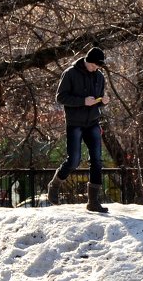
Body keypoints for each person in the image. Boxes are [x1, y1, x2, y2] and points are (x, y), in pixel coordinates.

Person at [47, 46, 110, 212]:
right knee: (74, 160)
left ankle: (93, 202)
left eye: (98, 67)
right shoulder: (70, 73)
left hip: (93, 122)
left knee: (97, 160)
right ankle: (54, 185)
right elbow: (60, 97)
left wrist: (103, 101)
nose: (95, 69)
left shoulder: (99, 76)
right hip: (75, 122)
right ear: (87, 60)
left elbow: (98, 97)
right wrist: (82, 101)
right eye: (93, 65)